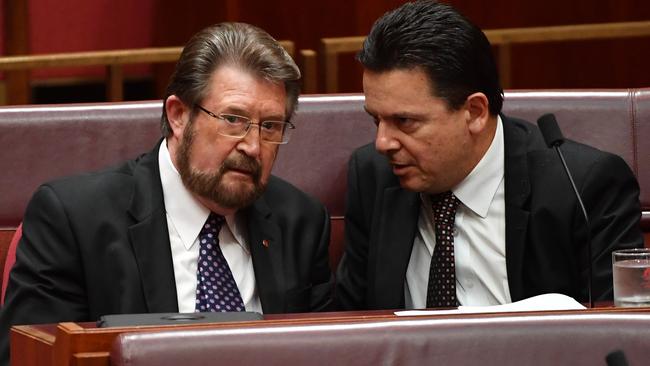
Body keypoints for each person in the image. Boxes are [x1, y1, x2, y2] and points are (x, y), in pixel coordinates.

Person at [0, 22, 333, 364]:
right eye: (233, 119)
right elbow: (32, 357)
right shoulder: (75, 220)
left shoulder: (300, 221)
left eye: (270, 126)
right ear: (178, 115)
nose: (252, 146)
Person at [335, 0, 644, 310]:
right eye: (376, 120)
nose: (383, 143)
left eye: (404, 121)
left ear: (475, 112)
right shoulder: (373, 175)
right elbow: (351, 321)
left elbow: (618, 332)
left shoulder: (582, 187)